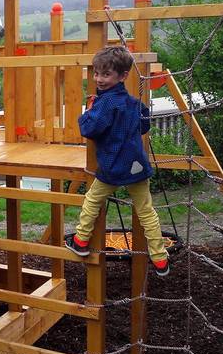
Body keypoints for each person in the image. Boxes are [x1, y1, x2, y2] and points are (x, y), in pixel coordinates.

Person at [65, 46, 170, 276]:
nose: (99, 79)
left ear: (122, 76)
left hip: (112, 167)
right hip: (137, 165)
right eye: (96, 73)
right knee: (146, 211)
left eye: (106, 74)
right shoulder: (133, 103)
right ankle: (160, 257)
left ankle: (81, 241)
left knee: (92, 200)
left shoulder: (105, 103)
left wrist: (88, 110)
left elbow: (89, 128)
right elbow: (144, 124)